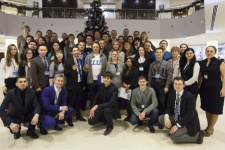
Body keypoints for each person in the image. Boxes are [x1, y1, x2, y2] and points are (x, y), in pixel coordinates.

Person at [158, 77, 204, 144]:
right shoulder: (172, 94)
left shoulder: (190, 97)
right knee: (161, 118)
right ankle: (176, 128)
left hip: (187, 121)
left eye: (179, 84)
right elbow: (168, 107)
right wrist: (166, 116)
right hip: (177, 116)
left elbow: (189, 115)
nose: (177, 86)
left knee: (174, 137)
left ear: (183, 85)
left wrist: (177, 125)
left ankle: (197, 136)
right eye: (175, 84)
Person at [199, 46, 225, 136]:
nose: (209, 52)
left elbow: (224, 76)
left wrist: (223, 89)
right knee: (207, 108)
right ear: (205, 52)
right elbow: (200, 76)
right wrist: (198, 86)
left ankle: (210, 129)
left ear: (215, 52)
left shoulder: (220, 62)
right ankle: (209, 126)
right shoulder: (202, 62)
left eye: (211, 51)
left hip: (216, 88)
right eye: (207, 51)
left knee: (214, 109)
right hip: (205, 88)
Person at [148, 48, 173, 128]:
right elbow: (149, 76)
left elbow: (169, 76)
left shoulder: (167, 64)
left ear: (162, 54)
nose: (158, 54)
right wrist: (149, 86)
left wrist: (167, 86)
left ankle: (161, 121)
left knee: (162, 103)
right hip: (154, 84)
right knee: (154, 102)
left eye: (160, 52)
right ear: (155, 54)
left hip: (163, 84)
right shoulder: (152, 64)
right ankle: (154, 119)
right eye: (157, 52)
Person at [64, 47, 86, 121]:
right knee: (71, 102)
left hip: (80, 84)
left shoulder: (81, 59)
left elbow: (82, 72)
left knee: (78, 101)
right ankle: (69, 118)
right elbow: (66, 73)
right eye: (74, 51)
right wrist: (72, 69)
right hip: (72, 85)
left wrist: (83, 84)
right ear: (71, 53)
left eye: (77, 50)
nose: (76, 52)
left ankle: (78, 115)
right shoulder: (68, 61)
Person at [83, 42, 108, 107]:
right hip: (91, 79)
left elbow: (106, 68)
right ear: (92, 48)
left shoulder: (103, 56)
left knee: (100, 96)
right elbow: (85, 70)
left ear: (99, 47)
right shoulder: (88, 56)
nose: (95, 48)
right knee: (92, 97)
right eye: (94, 47)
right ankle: (93, 112)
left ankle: (100, 112)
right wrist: (85, 67)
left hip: (100, 78)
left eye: (97, 47)